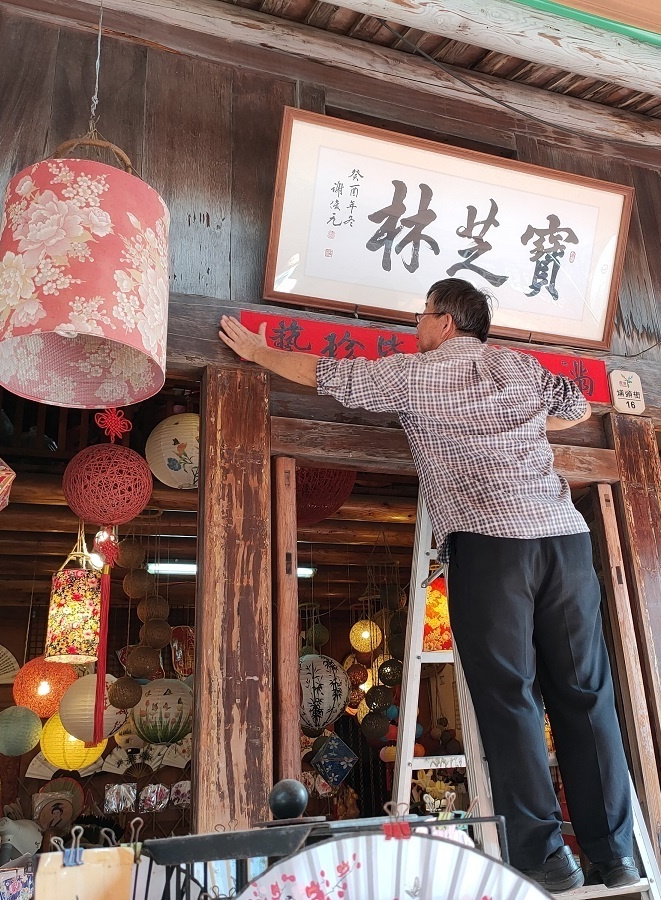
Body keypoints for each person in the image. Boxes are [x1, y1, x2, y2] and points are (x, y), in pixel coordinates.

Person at [218, 278, 638, 892]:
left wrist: (257, 352)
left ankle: (548, 857)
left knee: (511, 701)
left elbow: (332, 377)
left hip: (493, 546)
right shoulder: (519, 365)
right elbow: (576, 407)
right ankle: (615, 857)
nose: (417, 327)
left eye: (422, 316)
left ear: (445, 322)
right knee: (586, 696)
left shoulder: (420, 373)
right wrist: (523, 416)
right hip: (564, 542)